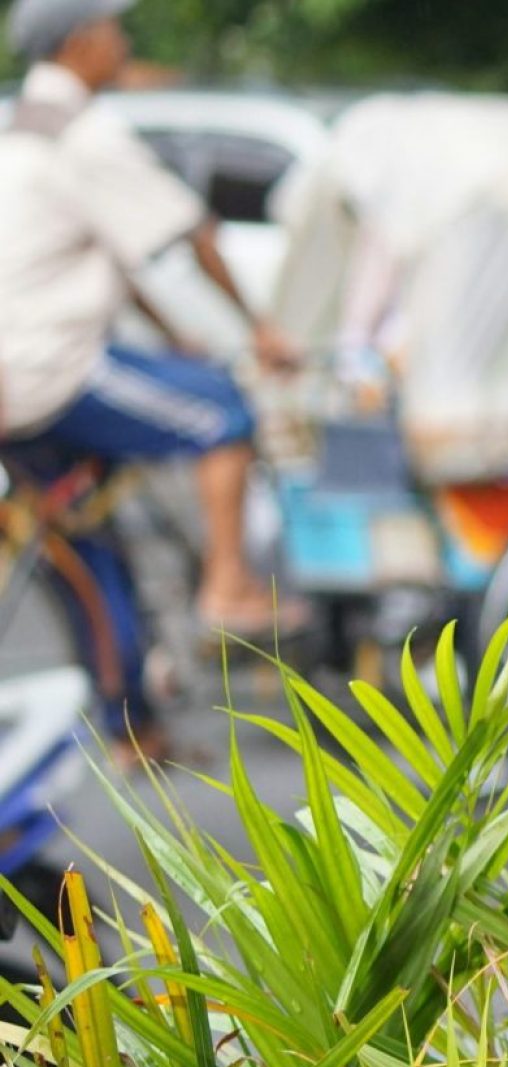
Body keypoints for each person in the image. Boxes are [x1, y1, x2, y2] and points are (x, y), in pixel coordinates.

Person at [0, 0, 301, 642]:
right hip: (53, 369)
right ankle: (227, 588)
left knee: (94, 555)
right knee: (224, 414)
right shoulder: (84, 133)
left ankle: (132, 733)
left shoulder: (27, 125)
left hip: (17, 376)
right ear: (80, 42)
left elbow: (111, 253)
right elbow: (198, 236)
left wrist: (172, 337)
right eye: (112, 29)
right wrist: (262, 331)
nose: (122, 42)